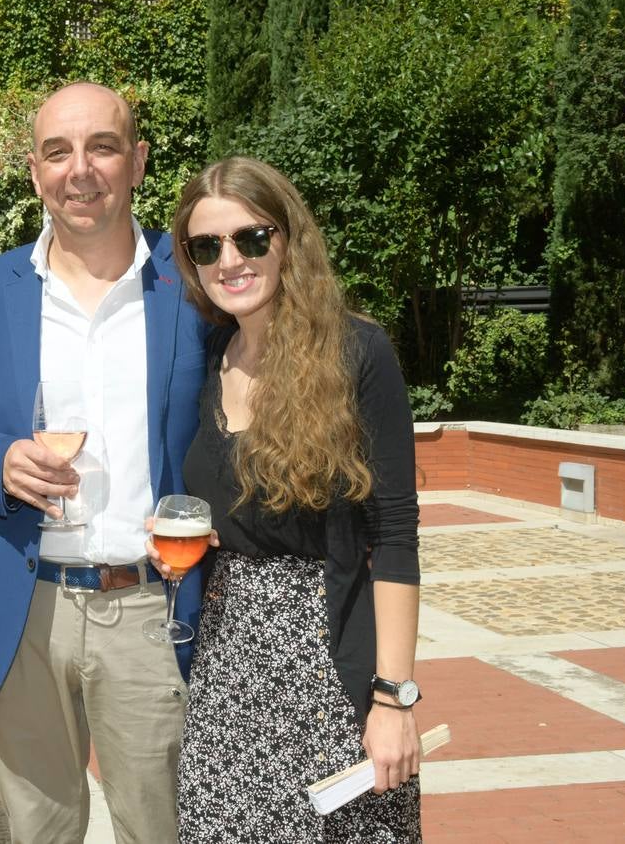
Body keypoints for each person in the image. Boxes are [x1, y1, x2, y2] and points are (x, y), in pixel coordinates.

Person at [0, 81, 208, 843]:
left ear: (139, 161)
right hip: (26, 610)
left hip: (153, 608)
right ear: (35, 171)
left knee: (161, 831)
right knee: (38, 833)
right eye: (58, 152)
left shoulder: (198, 285)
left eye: (102, 147)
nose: (80, 170)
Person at [166, 156, 422, 840]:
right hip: (226, 670)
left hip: (325, 672)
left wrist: (393, 697)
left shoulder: (358, 353)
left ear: (287, 240)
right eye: (206, 246)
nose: (231, 260)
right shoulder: (211, 355)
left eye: (251, 237)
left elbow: (395, 535)